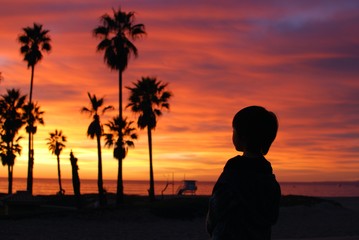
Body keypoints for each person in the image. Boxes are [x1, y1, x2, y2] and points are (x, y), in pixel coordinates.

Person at [206, 106, 281, 240]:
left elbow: (216, 209)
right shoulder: (268, 177)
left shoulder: (233, 172)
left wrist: (211, 228)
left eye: (233, 130)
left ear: (242, 136)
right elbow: (272, 216)